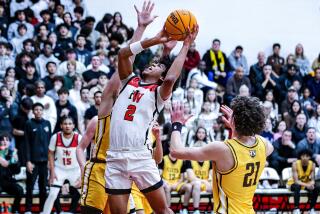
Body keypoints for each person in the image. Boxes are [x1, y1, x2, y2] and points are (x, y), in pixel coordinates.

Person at [105, 4, 198, 211]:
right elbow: (122, 54)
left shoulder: (159, 93)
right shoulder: (129, 81)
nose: (152, 64)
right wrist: (154, 40)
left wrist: (185, 45)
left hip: (139, 156)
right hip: (115, 156)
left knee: (162, 210)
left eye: (157, 66)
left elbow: (172, 77)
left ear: (161, 76)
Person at [76, 1, 159, 213]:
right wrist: (141, 29)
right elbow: (122, 65)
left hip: (125, 171)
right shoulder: (107, 108)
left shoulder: (138, 113)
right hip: (100, 168)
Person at [169, 96, 273, 214]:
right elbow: (244, 146)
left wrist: (176, 124)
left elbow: (175, 151)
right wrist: (236, 127)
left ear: (234, 121)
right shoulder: (264, 145)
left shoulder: (222, 149)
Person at [42, 116, 81, 214]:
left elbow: (82, 158)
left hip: (75, 169)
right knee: (52, 195)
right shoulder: (55, 137)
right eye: (65, 124)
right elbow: (50, 153)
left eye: (70, 124)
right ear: (61, 126)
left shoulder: (79, 138)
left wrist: (82, 175)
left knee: (85, 195)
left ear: (73, 126)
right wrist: (52, 171)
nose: (67, 126)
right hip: (59, 169)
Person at [24, 103, 52, 213]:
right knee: (30, 186)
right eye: (36, 109)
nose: (38, 111)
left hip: (45, 161)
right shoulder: (29, 124)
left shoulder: (47, 123)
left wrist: (50, 161)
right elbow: (26, 144)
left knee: (43, 188)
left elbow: (50, 144)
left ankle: (42, 210)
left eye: (40, 109)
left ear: (43, 111)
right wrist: (28, 161)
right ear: (33, 111)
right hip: (33, 162)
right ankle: (28, 210)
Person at [287, 149, 320, 214]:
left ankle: (311, 209)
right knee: (297, 186)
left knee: (316, 187)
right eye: (303, 156)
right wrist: (308, 185)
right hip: (293, 184)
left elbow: (313, 179)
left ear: (310, 157)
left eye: (307, 156)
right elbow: (296, 181)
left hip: (305, 184)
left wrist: (311, 185)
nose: (305, 158)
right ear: (300, 156)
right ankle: (296, 209)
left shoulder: (312, 164)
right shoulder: (295, 164)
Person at [0, 133, 24, 213]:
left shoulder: (12, 153)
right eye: (2, 140)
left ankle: (15, 210)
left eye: (7, 140)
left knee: (20, 190)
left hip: (7, 182)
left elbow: (17, 171)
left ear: (9, 142)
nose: (4, 142)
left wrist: (16, 162)